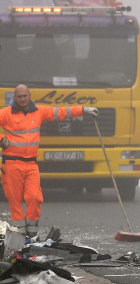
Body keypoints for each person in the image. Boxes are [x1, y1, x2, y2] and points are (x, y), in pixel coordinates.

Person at [0, 84, 98, 238]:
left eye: (25, 96)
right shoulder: (6, 113)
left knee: (34, 197)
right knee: (15, 200)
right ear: (15, 97)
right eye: (19, 96)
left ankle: (32, 233)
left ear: (30, 95)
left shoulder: (39, 111)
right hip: (11, 164)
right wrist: (1, 140)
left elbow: (60, 112)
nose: (22, 99)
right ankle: (19, 233)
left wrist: (84, 110)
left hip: (31, 164)